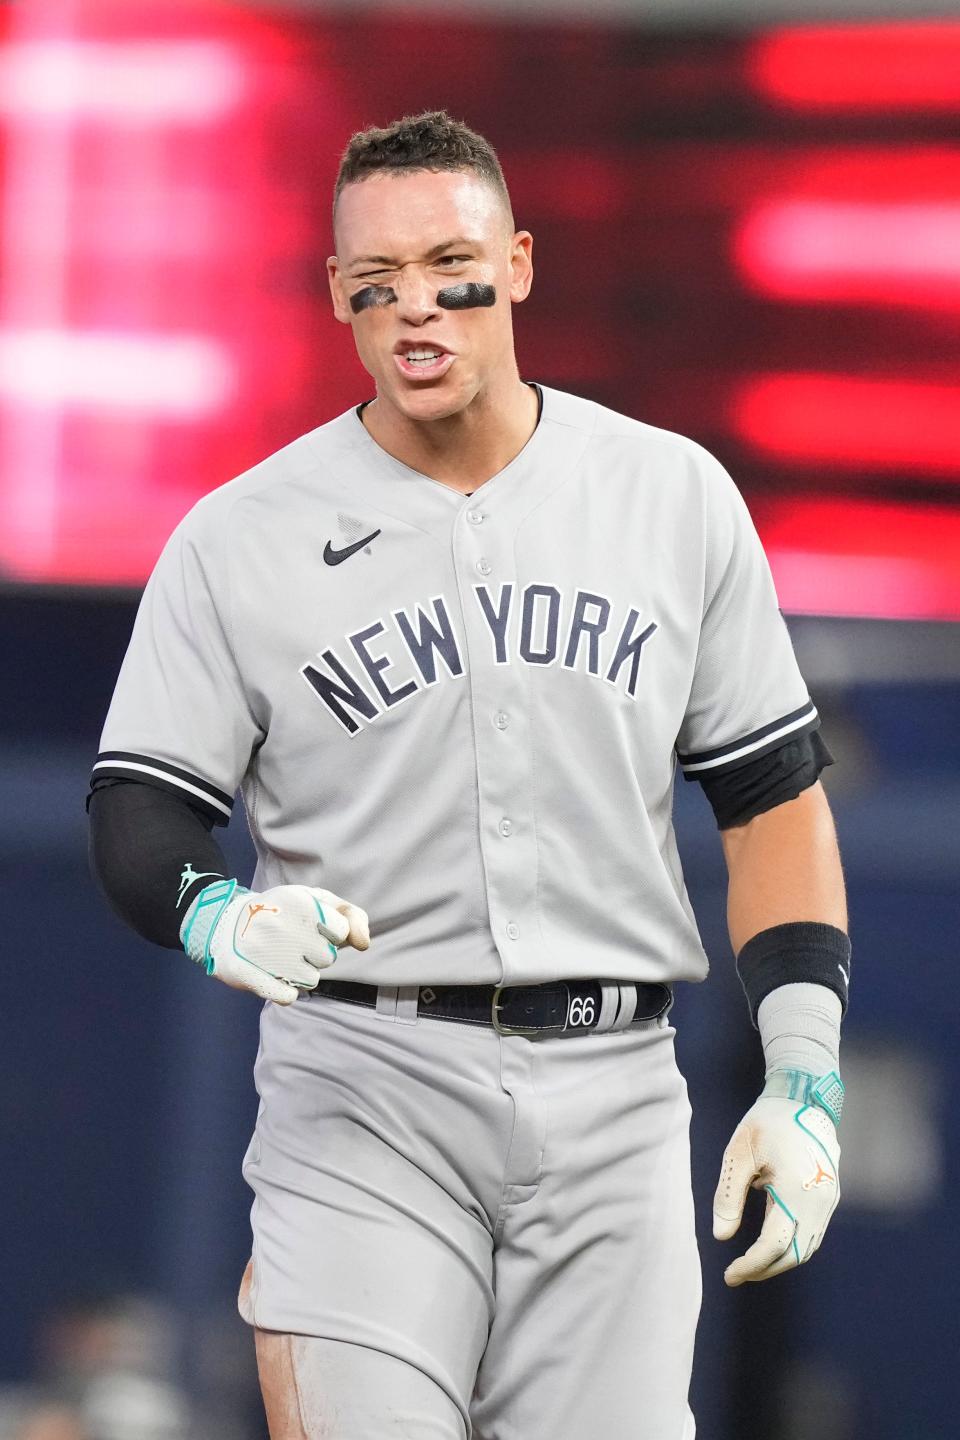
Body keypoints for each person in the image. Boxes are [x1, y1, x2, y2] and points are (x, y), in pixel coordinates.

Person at [88, 110, 851, 1440]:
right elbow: (139, 802)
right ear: (338, 298)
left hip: (615, 1095)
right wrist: (215, 910)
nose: (416, 310)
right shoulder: (240, 536)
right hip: (364, 1087)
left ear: (520, 264)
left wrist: (805, 1079)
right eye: (375, 285)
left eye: (451, 267)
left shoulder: (668, 496)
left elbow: (772, 796)